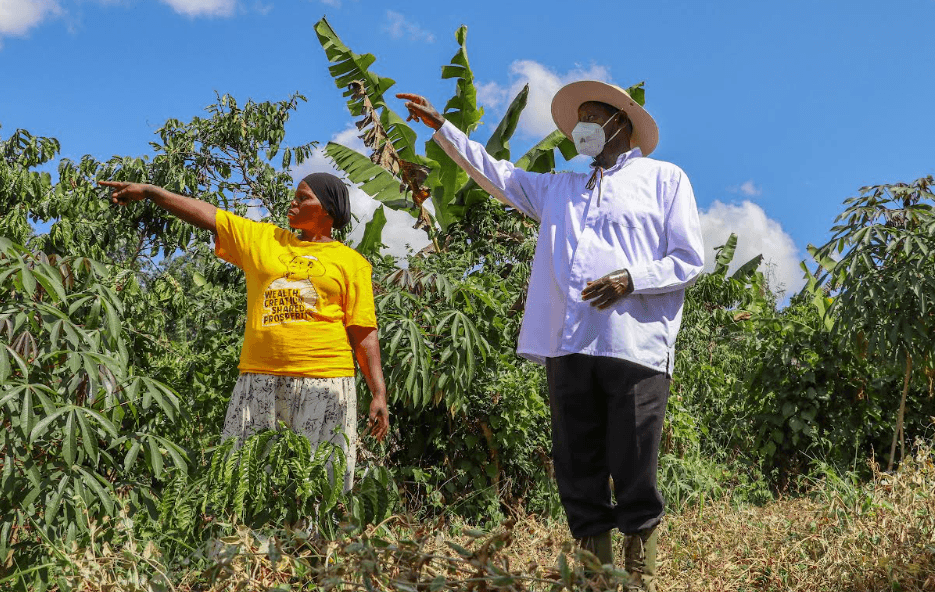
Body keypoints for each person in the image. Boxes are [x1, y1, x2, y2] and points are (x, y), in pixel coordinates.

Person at [398, 82, 704, 590]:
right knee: (577, 463)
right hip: (569, 344)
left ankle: (640, 575)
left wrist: (631, 279)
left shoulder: (664, 179)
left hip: (635, 345)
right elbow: (498, 175)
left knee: (633, 462)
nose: (579, 126)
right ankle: (594, 575)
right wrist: (443, 130)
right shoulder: (560, 187)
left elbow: (690, 260)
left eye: (590, 116)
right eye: (577, 118)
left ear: (619, 123)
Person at [99, 173, 389, 491]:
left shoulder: (352, 263)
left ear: (328, 207)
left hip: (327, 380)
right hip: (259, 378)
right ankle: (245, 539)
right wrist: (153, 192)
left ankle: (317, 542)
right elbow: (208, 215)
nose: (293, 202)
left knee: (319, 481)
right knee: (241, 475)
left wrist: (378, 393)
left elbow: (364, 333)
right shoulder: (264, 239)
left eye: (304, 197)